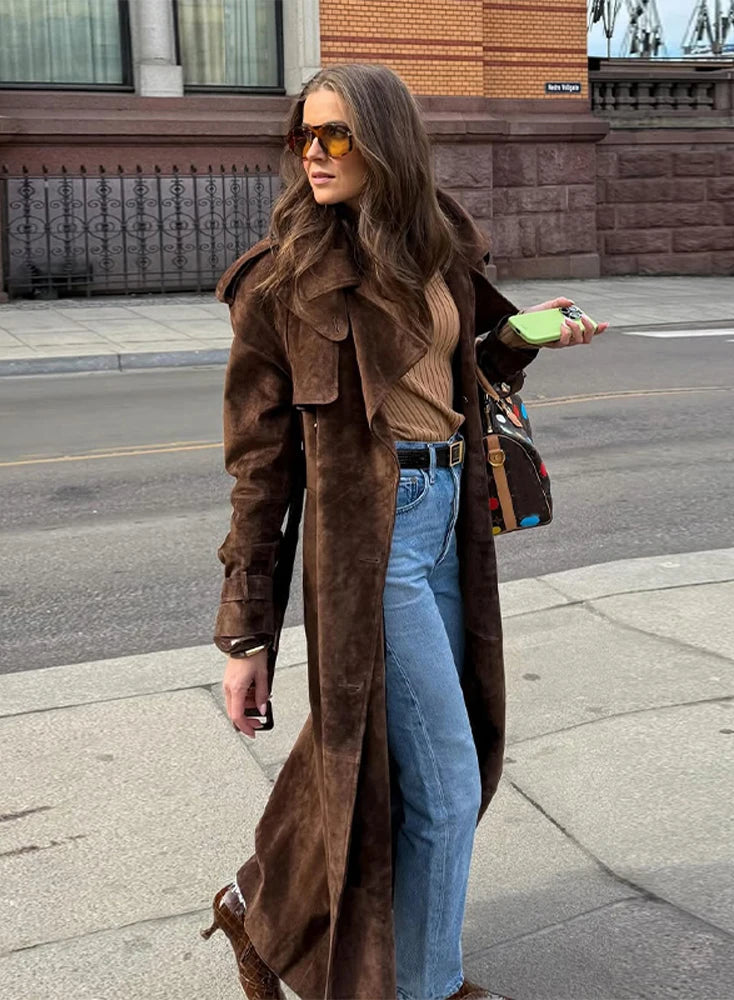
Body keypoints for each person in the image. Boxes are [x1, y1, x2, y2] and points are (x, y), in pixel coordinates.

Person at [200, 63, 607, 1000]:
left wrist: (522, 338)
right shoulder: (280, 287)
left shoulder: (440, 252)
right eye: (304, 133)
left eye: (336, 134)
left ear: (386, 142)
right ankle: (429, 987)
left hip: (450, 522)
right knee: (446, 786)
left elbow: (461, 377)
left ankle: (254, 911)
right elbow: (258, 474)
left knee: (380, 761)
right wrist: (246, 633)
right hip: (370, 551)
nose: (313, 150)